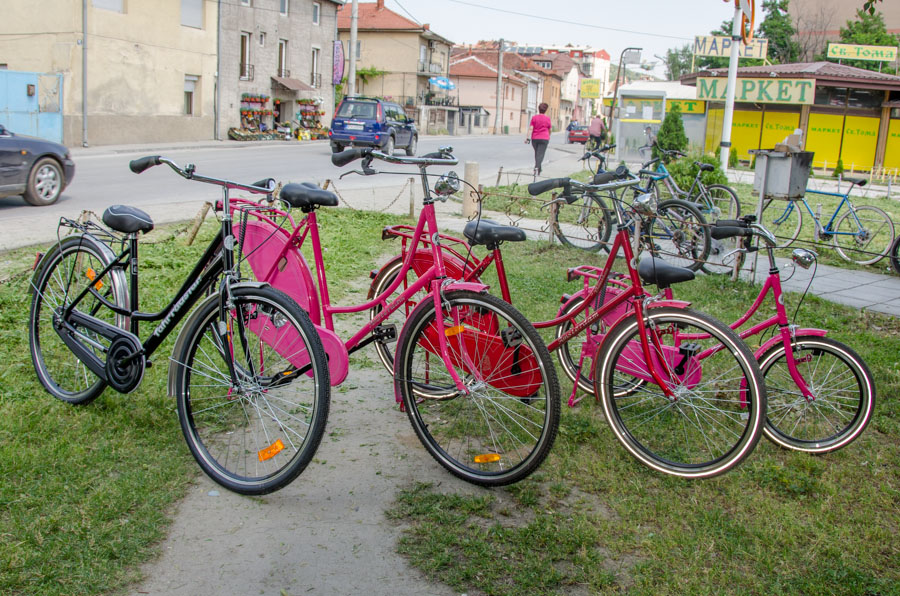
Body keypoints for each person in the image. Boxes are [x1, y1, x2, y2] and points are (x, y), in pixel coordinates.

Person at [526, 102, 552, 175]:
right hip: (544, 138)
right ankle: (537, 168)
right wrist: (549, 136)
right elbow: (550, 129)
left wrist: (527, 138)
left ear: (538, 109)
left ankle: (538, 168)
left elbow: (531, 128)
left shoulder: (534, 118)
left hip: (535, 138)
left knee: (537, 153)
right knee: (540, 154)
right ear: (545, 110)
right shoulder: (547, 119)